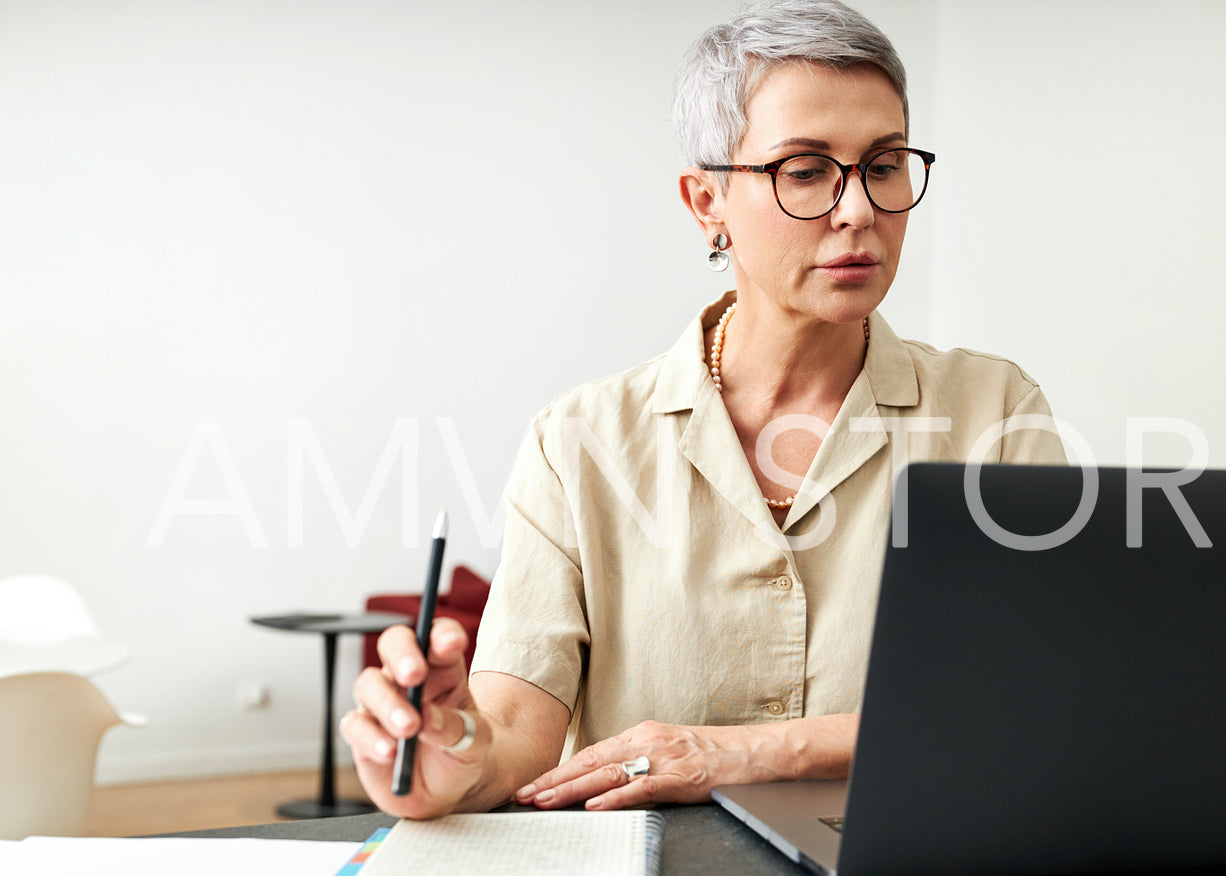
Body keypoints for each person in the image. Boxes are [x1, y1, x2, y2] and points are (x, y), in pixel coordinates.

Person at [341, 0, 1067, 819]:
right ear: (706, 203)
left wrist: (741, 752)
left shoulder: (995, 411)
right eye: (804, 170)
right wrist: (453, 755)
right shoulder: (578, 439)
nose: (858, 207)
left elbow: (1025, 701)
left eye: (884, 163)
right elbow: (516, 728)